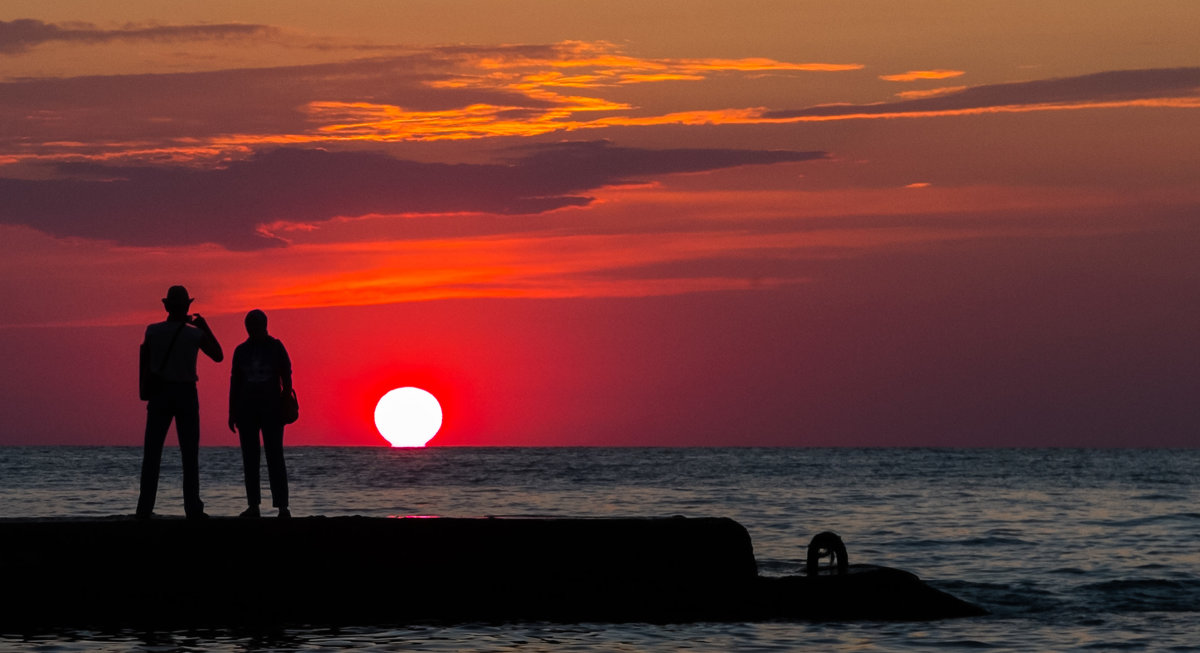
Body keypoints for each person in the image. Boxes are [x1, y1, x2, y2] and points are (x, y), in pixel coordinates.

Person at [136, 285, 224, 519]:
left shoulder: (152, 331)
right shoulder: (194, 334)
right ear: (187, 307)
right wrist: (203, 326)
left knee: (152, 454)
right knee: (189, 454)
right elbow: (218, 355)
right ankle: (192, 508)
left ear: (166, 306)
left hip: (159, 394)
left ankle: (144, 508)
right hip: (185, 393)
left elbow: (145, 363)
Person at [228, 309, 293, 518]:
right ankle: (253, 506)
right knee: (250, 458)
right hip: (246, 410)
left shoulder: (276, 347)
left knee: (275, 456)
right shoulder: (241, 351)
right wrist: (232, 412)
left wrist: (285, 401)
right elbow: (235, 383)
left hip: (272, 410)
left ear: (264, 324)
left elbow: (287, 375)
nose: (253, 328)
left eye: (256, 324)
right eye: (250, 324)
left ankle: (282, 507)